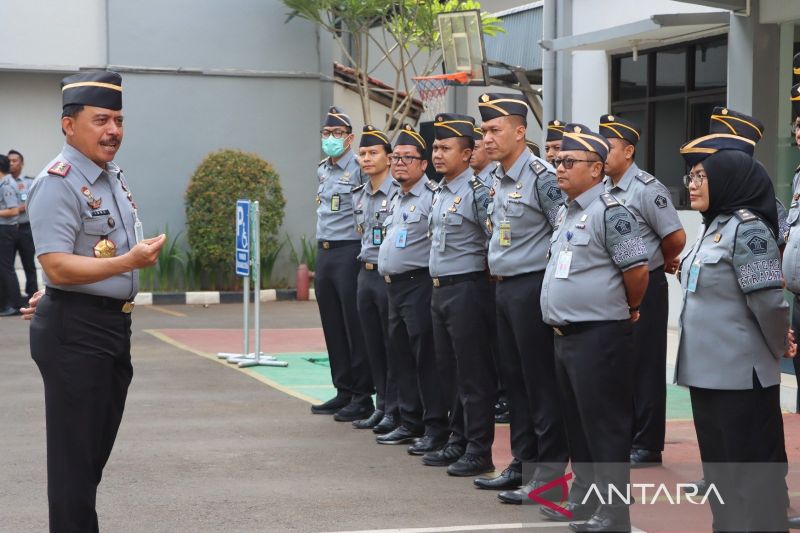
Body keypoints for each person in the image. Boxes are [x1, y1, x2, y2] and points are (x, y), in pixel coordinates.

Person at [27, 70, 166, 533]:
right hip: (76, 332)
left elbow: (72, 261)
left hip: (109, 329)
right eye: (101, 120)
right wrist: (128, 262)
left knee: (88, 462)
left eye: (119, 121)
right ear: (69, 125)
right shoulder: (58, 181)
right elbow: (58, 266)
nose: (114, 132)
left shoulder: (110, 176)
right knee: (73, 467)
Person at [677, 131, 792, 532]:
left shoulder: (749, 230)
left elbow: (769, 303)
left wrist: (780, 344)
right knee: (720, 475)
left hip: (742, 379)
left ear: (726, 178)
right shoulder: (712, 227)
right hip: (705, 375)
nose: (691, 185)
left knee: (752, 478)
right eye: (689, 178)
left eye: (700, 177)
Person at [540, 124, 649, 530]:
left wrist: (630, 306)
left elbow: (637, 270)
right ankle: (584, 498)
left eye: (569, 162)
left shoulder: (612, 213)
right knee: (578, 425)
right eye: (557, 161)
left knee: (606, 428)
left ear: (597, 168)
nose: (560, 169)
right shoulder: (567, 211)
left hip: (599, 336)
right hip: (566, 337)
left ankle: (614, 510)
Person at [471, 93, 569, 504]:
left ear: (520, 131)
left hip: (532, 287)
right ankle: (521, 464)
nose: (488, 139)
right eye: (484, 132)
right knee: (514, 383)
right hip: (504, 287)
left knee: (540, 384)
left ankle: (548, 477)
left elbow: (566, 229)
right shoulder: (496, 177)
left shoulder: (543, 176)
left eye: (495, 130)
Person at [598, 114, 686, 468]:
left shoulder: (647, 189)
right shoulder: (602, 189)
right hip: (614, 290)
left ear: (629, 151)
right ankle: (627, 435)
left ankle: (648, 444)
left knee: (646, 365)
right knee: (619, 364)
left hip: (646, 286)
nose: (602, 154)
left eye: (609, 148)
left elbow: (675, 236)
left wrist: (657, 262)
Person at [422, 113, 497, 477]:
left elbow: (495, 240)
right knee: (449, 372)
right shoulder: (440, 192)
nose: (437, 154)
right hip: (440, 291)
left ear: (468, 154)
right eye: (435, 147)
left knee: (473, 375)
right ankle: (458, 439)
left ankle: (479, 449)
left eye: (446, 148)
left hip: (468, 290)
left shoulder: (478, 193)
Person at [377, 124, 450, 453]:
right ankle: (410, 420)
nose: (399, 163)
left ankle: (435, 425)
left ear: (424, 164)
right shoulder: (396, 197)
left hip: (418, 284)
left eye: (408, 158)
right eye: (395, 157)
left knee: (425, 358)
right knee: (400, 355)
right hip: (393, 288)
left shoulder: (432, 197)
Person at [311, 107, 374, 421]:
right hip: (325, 251)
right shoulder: (323, 169)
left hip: (349, 250)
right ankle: (343, 390)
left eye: (337, 134)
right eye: (326, 133)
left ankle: (363, 396)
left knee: (354, 325)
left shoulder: (360, 168)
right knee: (332, 324)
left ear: (350, 138)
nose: (331, 139)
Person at [350, 125, 399, 428]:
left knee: (392, 344)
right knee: (373, 345)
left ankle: (395, 407)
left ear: (389, 158)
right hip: (365, 273)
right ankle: (381, 403)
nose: (366, 159)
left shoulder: (397, 192)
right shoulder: (361, 193)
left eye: (373, 153)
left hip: (386, 277)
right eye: (363, 153)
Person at [470, 125, 508, 426]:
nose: (484, 142)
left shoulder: (538, 178)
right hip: (498, 279)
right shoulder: (495, 183)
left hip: (518, 282)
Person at [9, 149, 38, 299]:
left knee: (29, 264)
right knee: (8, 266)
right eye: (10, 161)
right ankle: (11, 298)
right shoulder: (3, 182)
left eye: (15, 161)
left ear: (22, 163)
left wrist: (16, 209)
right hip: (9, 229)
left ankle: (32, 296)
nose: (12, 163)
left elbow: (34, 202)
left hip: (26, 228)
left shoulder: (30, 182)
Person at [0, 154, 22, 316]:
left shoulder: (6, 184)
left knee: (7, 268)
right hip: (5, 230)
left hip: (6, 230)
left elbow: (14, 210)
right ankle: (5, 303)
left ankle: (14, 305)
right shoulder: (4, 182)